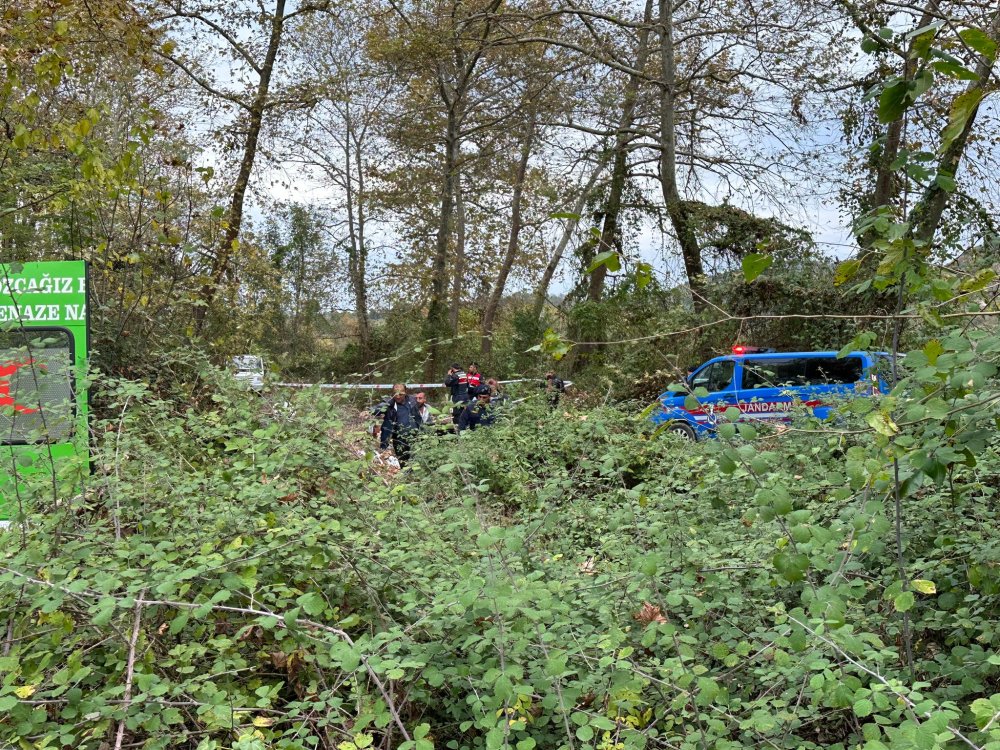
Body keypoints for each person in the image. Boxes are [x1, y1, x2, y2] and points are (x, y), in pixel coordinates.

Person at [380, 384, 423, 465]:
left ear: (405, 392)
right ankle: (406, 477)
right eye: (396, 394)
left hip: (415, 438)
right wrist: (369, 411)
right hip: (399, 440)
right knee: (403, 463)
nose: (398, 396)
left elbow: (421, 416)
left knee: (417, 462)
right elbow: (378, 408)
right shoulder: (389, 403)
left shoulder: (413, 401)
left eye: (401, 394)